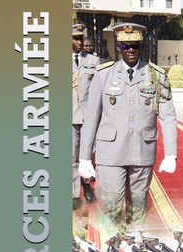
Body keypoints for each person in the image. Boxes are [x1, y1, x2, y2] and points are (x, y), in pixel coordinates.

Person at [78, 23, 178, 227]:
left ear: (141, 47)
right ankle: (111, 250)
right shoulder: (103, 74)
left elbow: (168, 116)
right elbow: (91, 117)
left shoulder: (157, 76)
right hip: (110, 153)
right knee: (111, 204)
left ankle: (135, 248)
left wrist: (171, 154)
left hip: (142, 151)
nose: (130, 50)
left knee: (138, 206)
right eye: (125, 46)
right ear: (118, 47)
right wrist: (85, 157)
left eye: (135, 46)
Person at [72, 24, 101, 210]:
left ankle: (87, 185)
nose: (79, 42)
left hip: (89, 116)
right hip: (70, 115)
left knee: (88, 155)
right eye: (75, 38)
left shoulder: (94, 61)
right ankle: (74, 193)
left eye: (81, 38)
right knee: (72, 156)